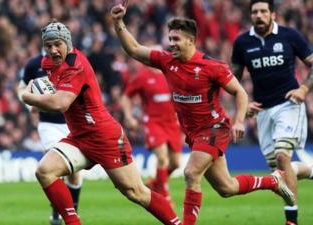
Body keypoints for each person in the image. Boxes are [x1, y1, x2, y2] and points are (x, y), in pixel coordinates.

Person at [111, 3, 295, 225]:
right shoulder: (166, 61)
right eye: (170, 39)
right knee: (226, 187)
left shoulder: (212, 66)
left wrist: (238, 122)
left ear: (191, 40)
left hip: (214, 128)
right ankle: (273, 181)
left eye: (176, 39)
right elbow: (133, 49)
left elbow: (240, 92)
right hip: (193, 134)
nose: (171, 44)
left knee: (190, 173)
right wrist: (118, 22)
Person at [21, 21, 182, 225]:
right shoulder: (47, 64)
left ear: (67, 43)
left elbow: (60, 103)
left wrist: (28, 98)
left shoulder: (75, 65)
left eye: (57, 44)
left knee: (136, 192)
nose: (53, 50)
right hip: (79, 137)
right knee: (44, 170)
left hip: (104, 137)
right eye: (48, 46)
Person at [231, 1, 313, 224]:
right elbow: (232, 81)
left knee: (282, 156)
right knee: (280, 173)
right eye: (255, 12)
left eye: (263, 11)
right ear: (251, 16)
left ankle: (292, 219)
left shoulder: (289, 35)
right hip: (263, 112)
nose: (259, 15)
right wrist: (243, 105)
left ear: (272, 14)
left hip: (289, 105)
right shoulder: (242, 42)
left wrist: (304, 88)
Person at [17, 52, 83, 225]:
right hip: (49, 125)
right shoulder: (34, 64)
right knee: (54, 169)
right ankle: (57, 213)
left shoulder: (71, 62)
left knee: (74, 175)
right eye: (48, 42)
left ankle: (72, 212)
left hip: (72, 124)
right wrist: (28, 104)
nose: (52, 46)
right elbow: (21, 87)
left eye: (56, 42)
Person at [121, 60, 183, 204]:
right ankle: (164, 196)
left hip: (172, 123)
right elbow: (126, 97)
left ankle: (155, 183)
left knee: (175, 164)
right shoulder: (142, 77)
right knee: (162, 158)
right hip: (153, 122)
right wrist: (129, 116)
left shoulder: (171, 73)